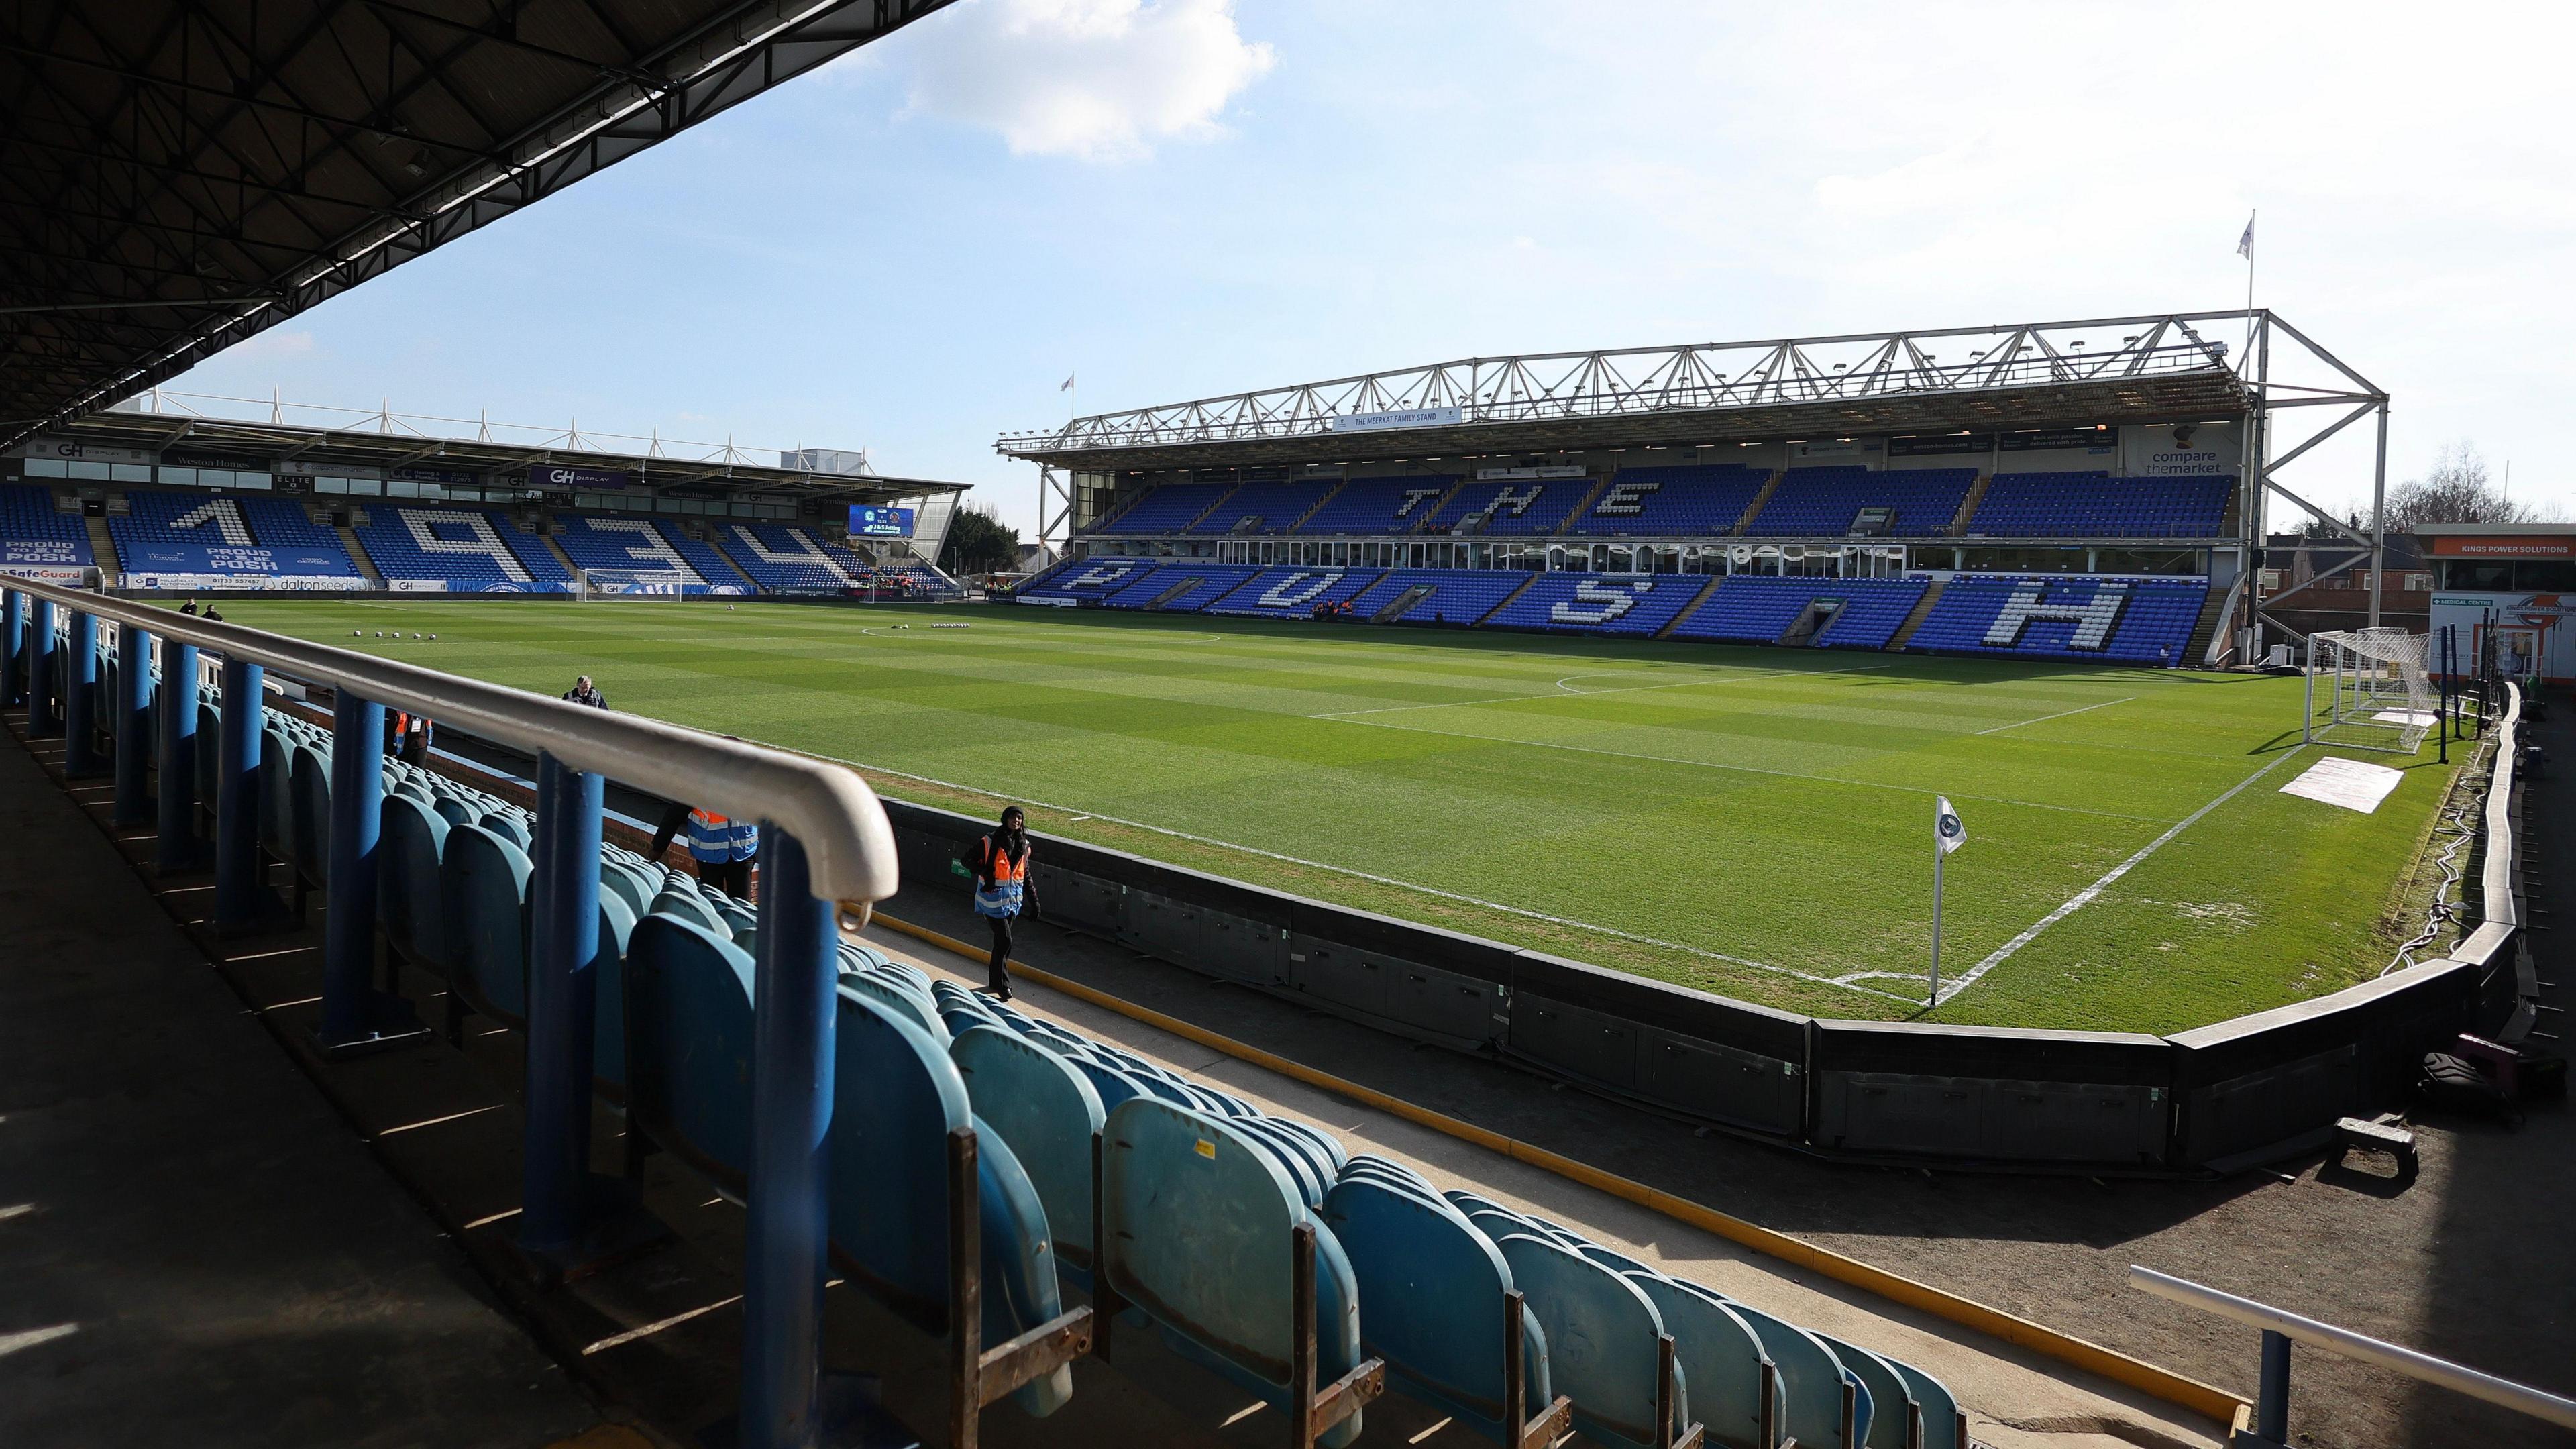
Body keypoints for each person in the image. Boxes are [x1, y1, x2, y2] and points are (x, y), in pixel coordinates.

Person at [970, 806, 1040, 1000]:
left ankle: (994, 981)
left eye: (1019, 818)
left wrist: (1034, 902)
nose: (1016, 821)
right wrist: (985, 872)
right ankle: (1003, 986)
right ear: (1005, 819)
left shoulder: (1024, 845)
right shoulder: (990, 841)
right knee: (1005, 941)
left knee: (1001, 944)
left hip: (1011, 904)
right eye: (1012, 817)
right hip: (992, 902)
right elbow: (967, 860)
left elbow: (1025, 875)